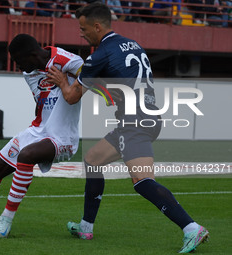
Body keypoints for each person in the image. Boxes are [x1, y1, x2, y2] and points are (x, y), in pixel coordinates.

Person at [47, 3, 209, 253]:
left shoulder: (99, 55)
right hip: (145, 115)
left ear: (97, 26)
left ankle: (191, 228)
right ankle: (86, 227)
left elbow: (71, 97)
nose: (81, 33)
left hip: (136, 120)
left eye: (83, 28)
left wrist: (61, 81)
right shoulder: (132, 44)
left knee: (142, 180)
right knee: (92, 160)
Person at [0, 33, 84, 238]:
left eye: (19, 62)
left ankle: (6, 219)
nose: (19, 67)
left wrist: (65, 82)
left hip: (63, 137)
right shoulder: (30, 74)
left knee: (26, 156)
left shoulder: (70, 62)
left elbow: (87, 84)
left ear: (32, 55)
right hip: (37, 131)